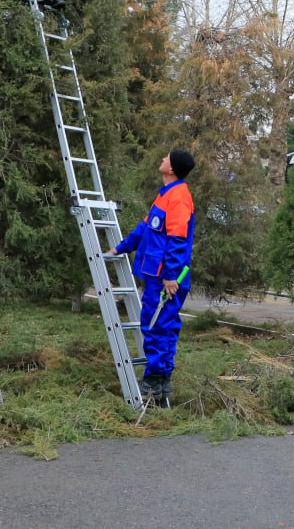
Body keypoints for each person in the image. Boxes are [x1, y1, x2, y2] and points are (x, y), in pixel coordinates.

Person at [108, 148, 196, 402]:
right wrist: (122, 247)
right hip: (159, 274)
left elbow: (178, 240)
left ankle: (152, 381)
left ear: (172, 168)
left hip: (167, 279)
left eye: (166, 158)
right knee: (162, 325)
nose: (161, 159)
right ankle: (161, 384)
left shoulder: (178, 197)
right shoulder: (165, 195)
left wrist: (170, 276)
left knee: (157, 325)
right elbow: (146, 228)